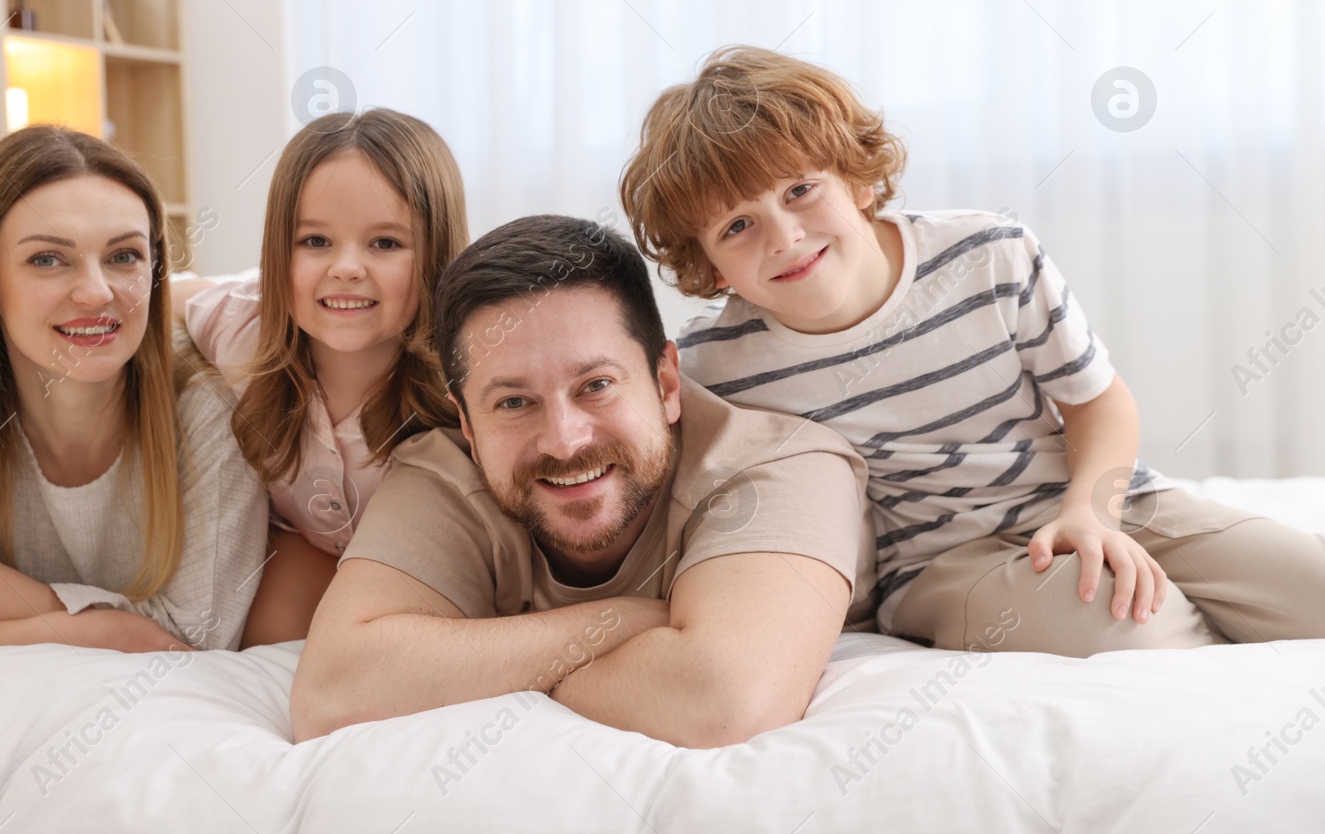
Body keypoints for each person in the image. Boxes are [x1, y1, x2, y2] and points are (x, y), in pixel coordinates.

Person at [620, 44, 1325, 656]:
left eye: (801, 189)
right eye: (738, 225)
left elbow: (1098, 402)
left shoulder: (989, 255)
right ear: (709, 266)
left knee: (1308, 585)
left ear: (859, 180)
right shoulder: (716, 366)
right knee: (1130, 623)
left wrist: (1092, 512)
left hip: (1099, 499)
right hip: (943, 564)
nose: (783, 235)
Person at [291, 215, 872, 748]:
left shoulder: (785, 464)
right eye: (514, 402)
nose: (565, 441)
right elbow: (332, 695)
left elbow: (722, 703)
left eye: (596, 385)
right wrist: (625, 621)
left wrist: (483, 674)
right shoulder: (442, 473)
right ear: (466, 421)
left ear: (666, 382)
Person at [0, 126, 267, 652]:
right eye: (48, 259)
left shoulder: (206, 410)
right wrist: (111, 629)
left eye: (123, 256)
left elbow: (196, 640)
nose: (96, 291)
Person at [172, 109, 468, 644]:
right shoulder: (241, 326)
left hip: (432, 566)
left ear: (436, 257)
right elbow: (145, 301)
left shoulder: (468, 374)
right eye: (315, 242)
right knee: (262, 657)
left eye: (385, 243)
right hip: (309, 543)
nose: (346, 267)